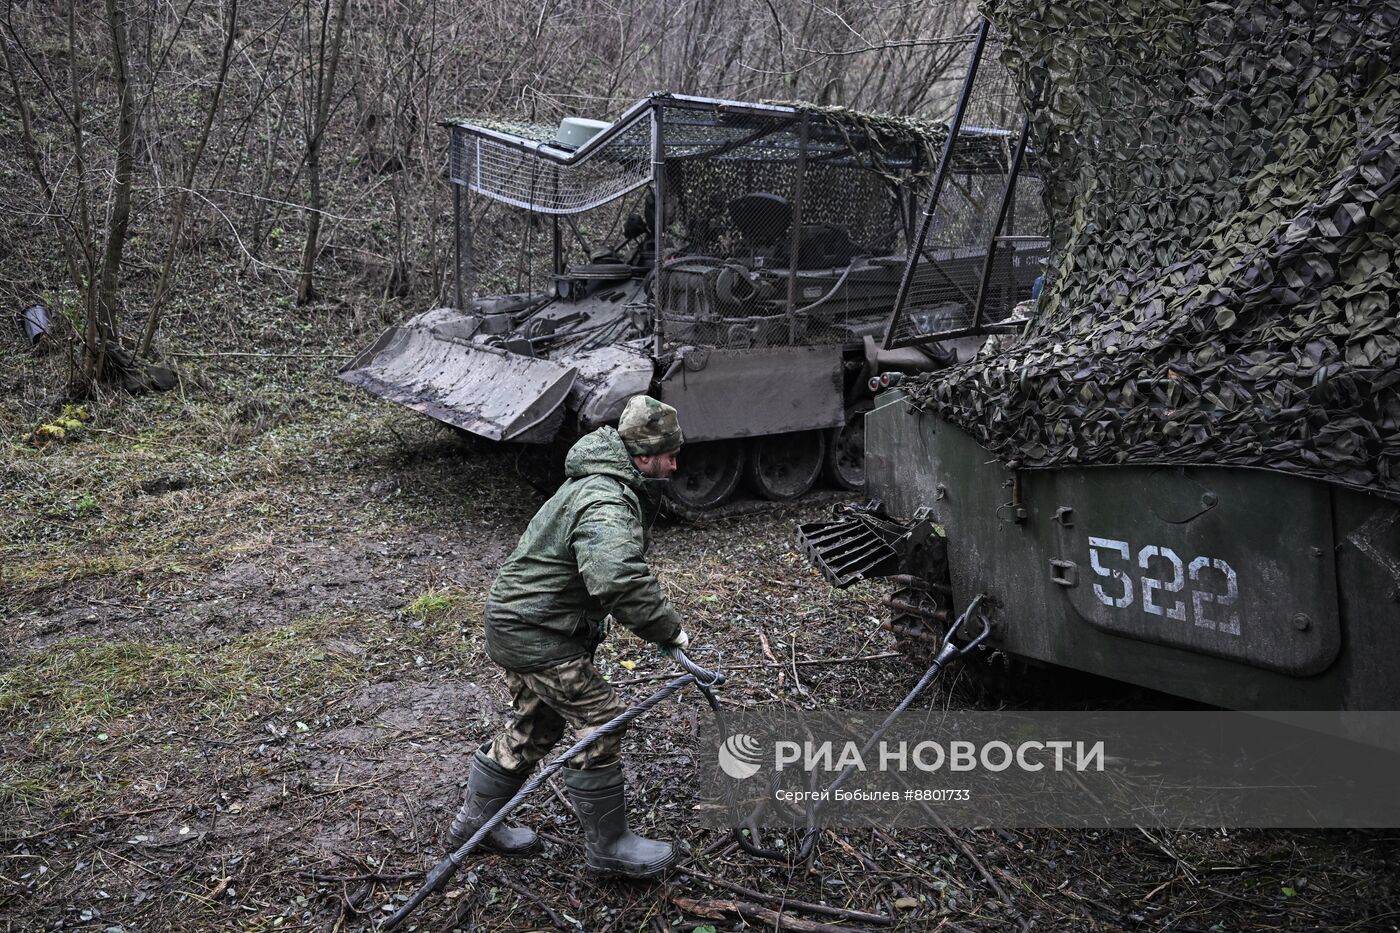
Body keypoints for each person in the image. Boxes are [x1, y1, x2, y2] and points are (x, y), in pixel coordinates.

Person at [446, 395, 691, 879]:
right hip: (536, 633)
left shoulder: (603, 482)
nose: (675, 463)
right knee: (601, 720)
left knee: (536, 726)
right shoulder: (604, 500)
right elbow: (617, 576)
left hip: (522, 622)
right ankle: (609, 849)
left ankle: (474, 827)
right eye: (668, 455)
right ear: (643, 458)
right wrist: (669, 630)